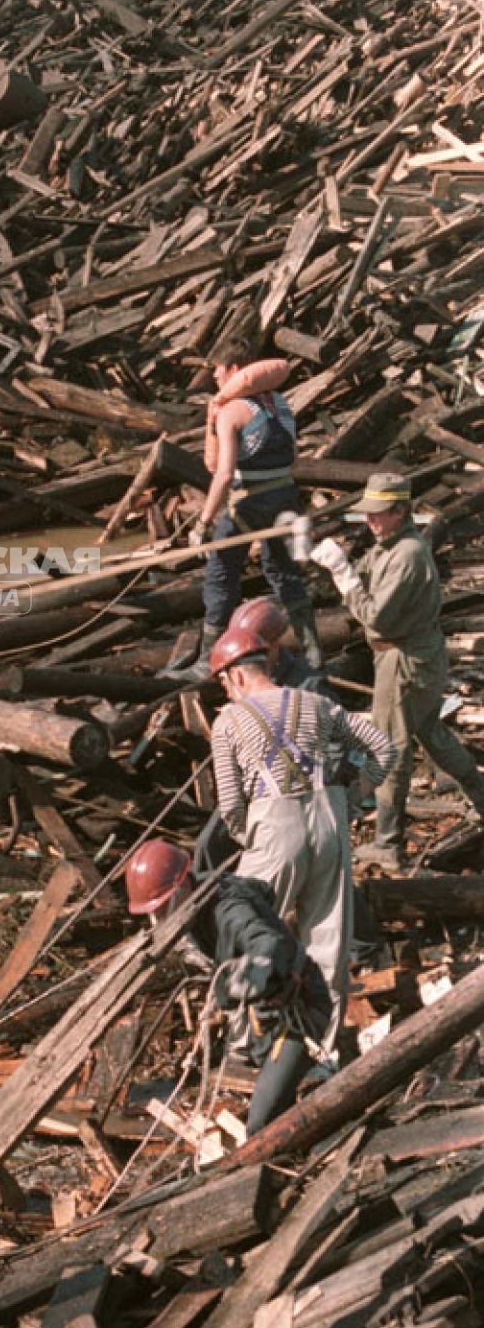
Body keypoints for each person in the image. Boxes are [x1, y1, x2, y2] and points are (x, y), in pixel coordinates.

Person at [207, 621, 396, 1054]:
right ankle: (321, 1050)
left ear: (235, 674)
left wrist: (250, 839)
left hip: (274, 828)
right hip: (331, 823)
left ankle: (244, 1037)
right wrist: (353, 798)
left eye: (222, 682)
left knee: (244, 922)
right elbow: (384, 748)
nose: (224, 691)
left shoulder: (230, 721)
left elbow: (231, 803)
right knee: (328, 943)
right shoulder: (316, 703)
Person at [311, 470, 484, 871]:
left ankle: (388, 842)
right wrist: (343, 559)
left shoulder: (407, 554)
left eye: (379, 514)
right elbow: (371, 573)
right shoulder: (390, 545)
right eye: (368, 514)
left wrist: (342, 575)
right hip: (413, 656)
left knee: (391, 747)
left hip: (403, 661)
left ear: (401, 511)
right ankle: (480, 796)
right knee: (432, 733)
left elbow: (377, 617)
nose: (371, 520)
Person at [125, 838, 332, 1134]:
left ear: (182, 886)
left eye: (160, 910)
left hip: (299, 1012)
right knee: (267, 1079)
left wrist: (256, 967)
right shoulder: (198, 903)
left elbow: (266, 942)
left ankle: (316, 1090)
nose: (157, 920)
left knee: (262, 1121)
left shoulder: (230, 909)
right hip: (264, 1016)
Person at [171, 341, 320, 681]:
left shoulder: (231, 411)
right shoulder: (281, 404)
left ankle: (205, 662)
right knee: (282, 570)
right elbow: (293, 460)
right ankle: (313, 652)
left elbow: (223, 474)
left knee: (221, 573)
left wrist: (203, 523)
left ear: (235, 370)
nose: (215, 378)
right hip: (285, 499)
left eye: (218, 371)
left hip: (249, 503)